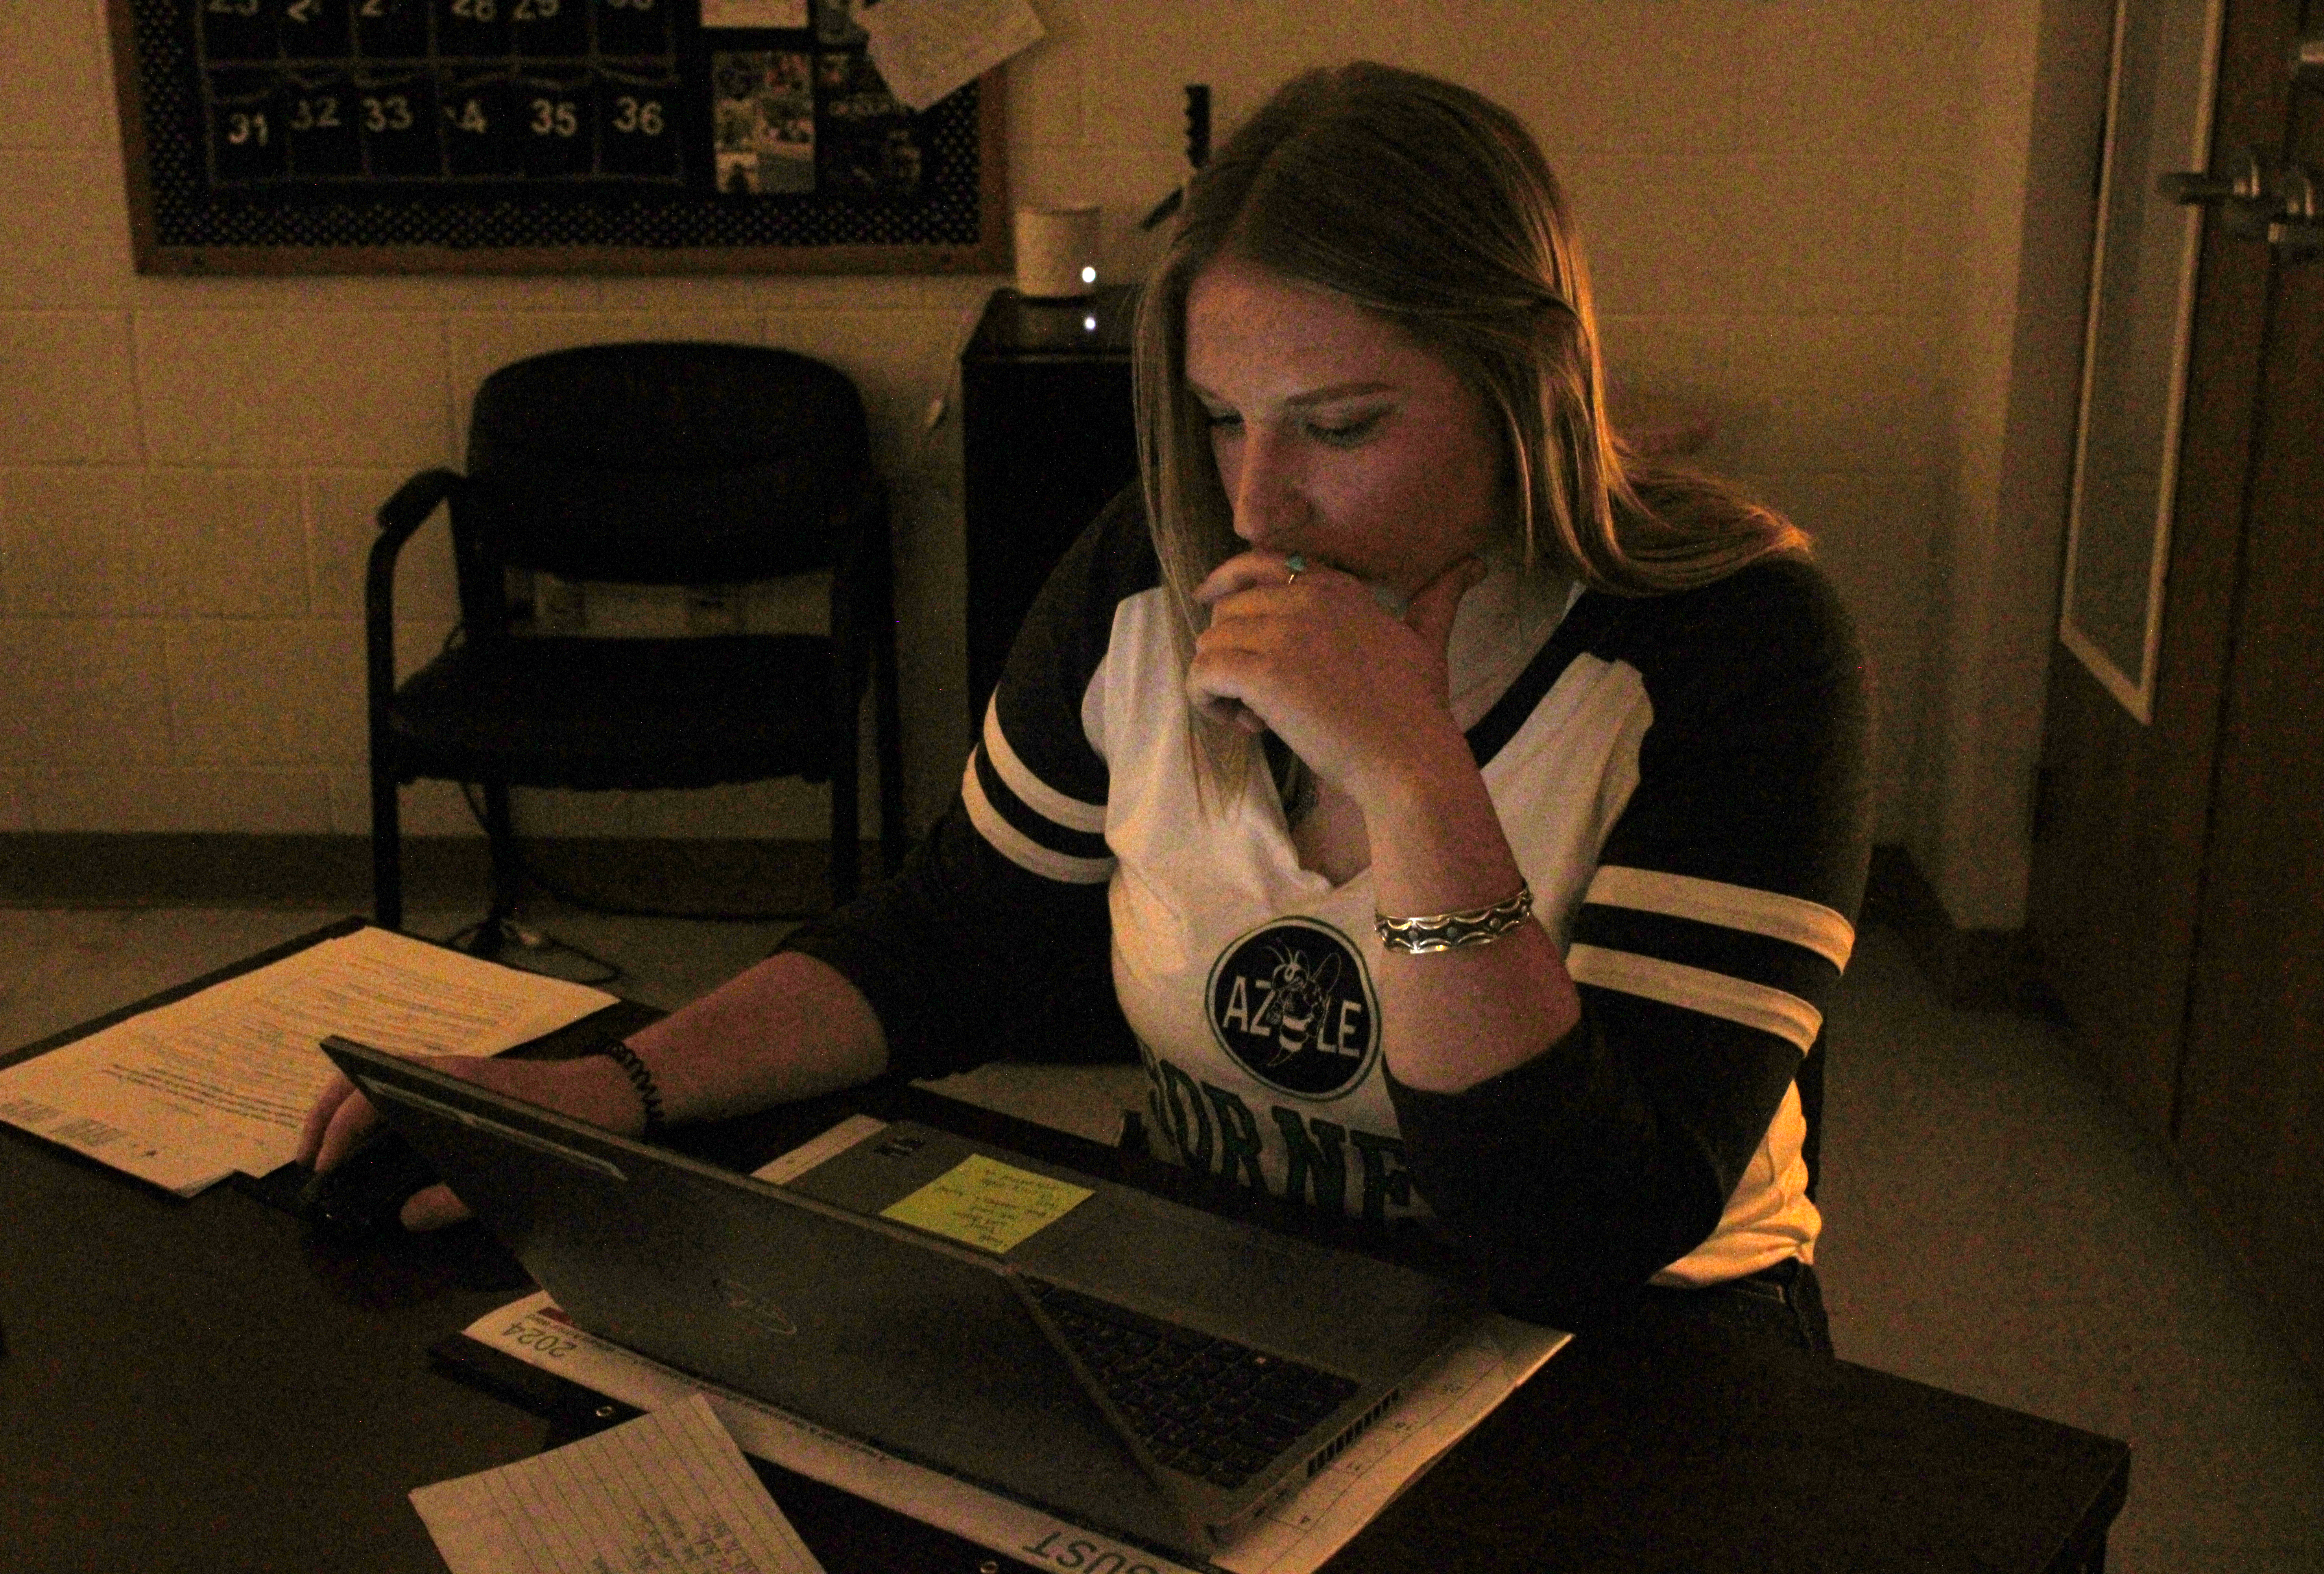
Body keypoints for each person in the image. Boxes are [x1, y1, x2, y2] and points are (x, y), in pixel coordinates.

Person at [301, 62, 1871, 1354]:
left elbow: (1575, 1237)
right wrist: (612, 1091)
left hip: (1635, 1366)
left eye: (1344, 425)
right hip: (1244, 1292)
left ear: (1531, 379)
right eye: (1221, 418)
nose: (1260, 503)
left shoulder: (1734, 643)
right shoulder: (1155, 565)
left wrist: (1412, 780)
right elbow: (960, 934)